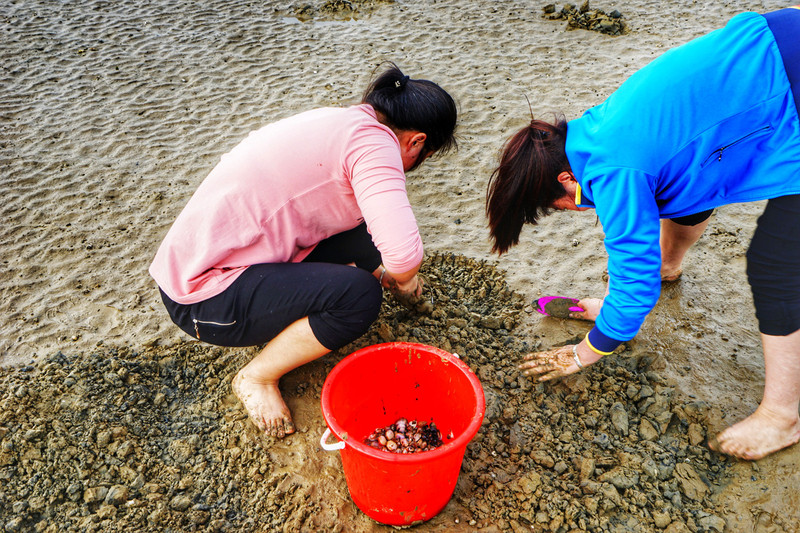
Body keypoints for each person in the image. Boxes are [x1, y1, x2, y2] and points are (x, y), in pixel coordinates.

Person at [486, 7, 800, 460]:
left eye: (554, 207)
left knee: (776, 267)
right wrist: (644, 283)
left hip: (785, 80)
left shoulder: (614, 170)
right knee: (680, 197)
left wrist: (586, 352)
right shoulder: (594, 129)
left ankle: (781, 417)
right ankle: (671, 266)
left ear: (562, 181)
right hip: (772, 43)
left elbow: (635, 290)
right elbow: (689, 177)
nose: (568, 211)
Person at [150, 65, 457, 438]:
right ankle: (257, 376)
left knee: (366, 228)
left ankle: (366, 279)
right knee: (360, 297)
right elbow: (404, 255)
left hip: (190, 263)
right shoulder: (376, 146)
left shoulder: (341, 121)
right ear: (416, 141)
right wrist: (404, 279)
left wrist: (386, 267)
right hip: (204, 299)